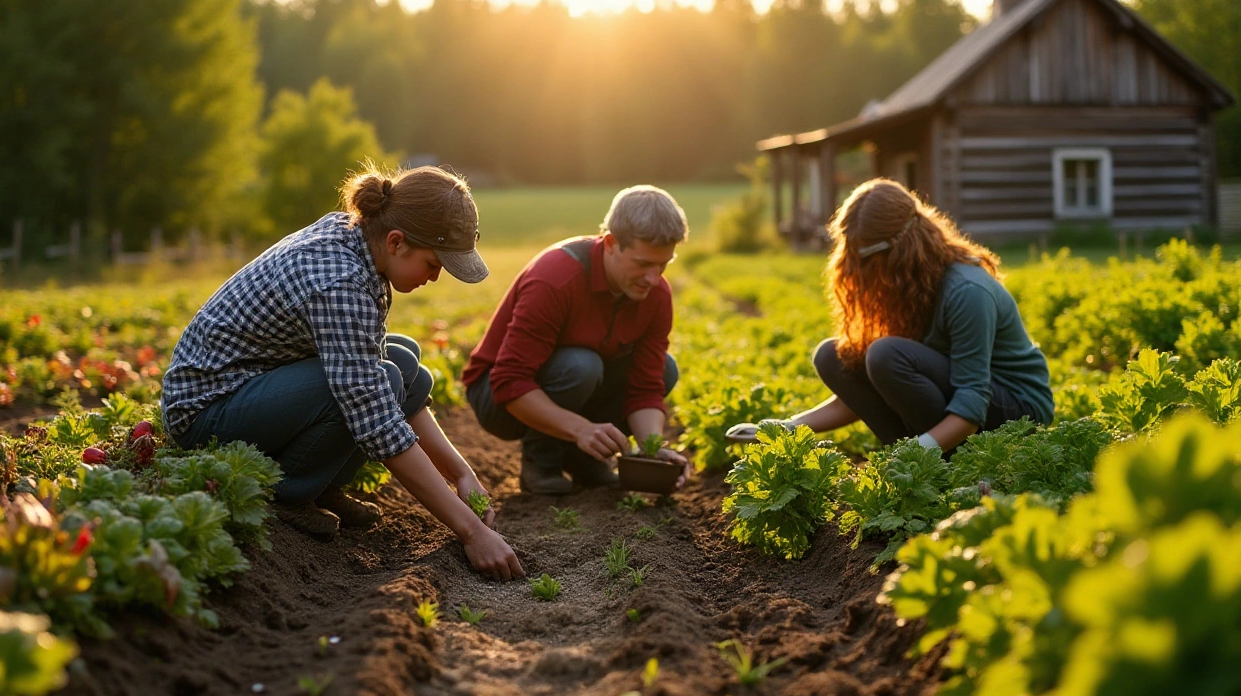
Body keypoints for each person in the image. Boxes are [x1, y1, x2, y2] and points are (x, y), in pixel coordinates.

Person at [162, 164, 524, 581]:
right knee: (380, 383)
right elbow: (376, 419)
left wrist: (463, 474)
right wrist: (471, 530)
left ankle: (326, 486)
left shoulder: (358, 236)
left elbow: (376, 379)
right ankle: (291, 494)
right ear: (397, 242)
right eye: (433, 263)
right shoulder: (339, 281)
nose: (436, 276)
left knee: (403, 362)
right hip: (208, 408)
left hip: (256, 383)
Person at [726, 178, 1054, 452]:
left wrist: (915, 455)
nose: (860, 269)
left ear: (903, 244)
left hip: (1015, 406)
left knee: (885, 354)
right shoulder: (910, 286)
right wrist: (786, 428)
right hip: (965, 402)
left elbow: (971, 403)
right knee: (833, 356)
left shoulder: (967, 291)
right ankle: (920, 455)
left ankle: (940, 458)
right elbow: (859, 396)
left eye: (867, 257)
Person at [462, 185, 691, 495]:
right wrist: (582, 429)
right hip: (497, 395)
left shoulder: (656, 295)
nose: (654, 278)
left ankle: (584, 460)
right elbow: (509, 380)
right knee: (581, 366)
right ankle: (541, 463)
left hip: (574, 386)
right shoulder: (556, 278)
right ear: (611, 243)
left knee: (666, 369)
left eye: (662, 265)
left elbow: (646, 385)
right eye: (642, 264)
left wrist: (653, 451)